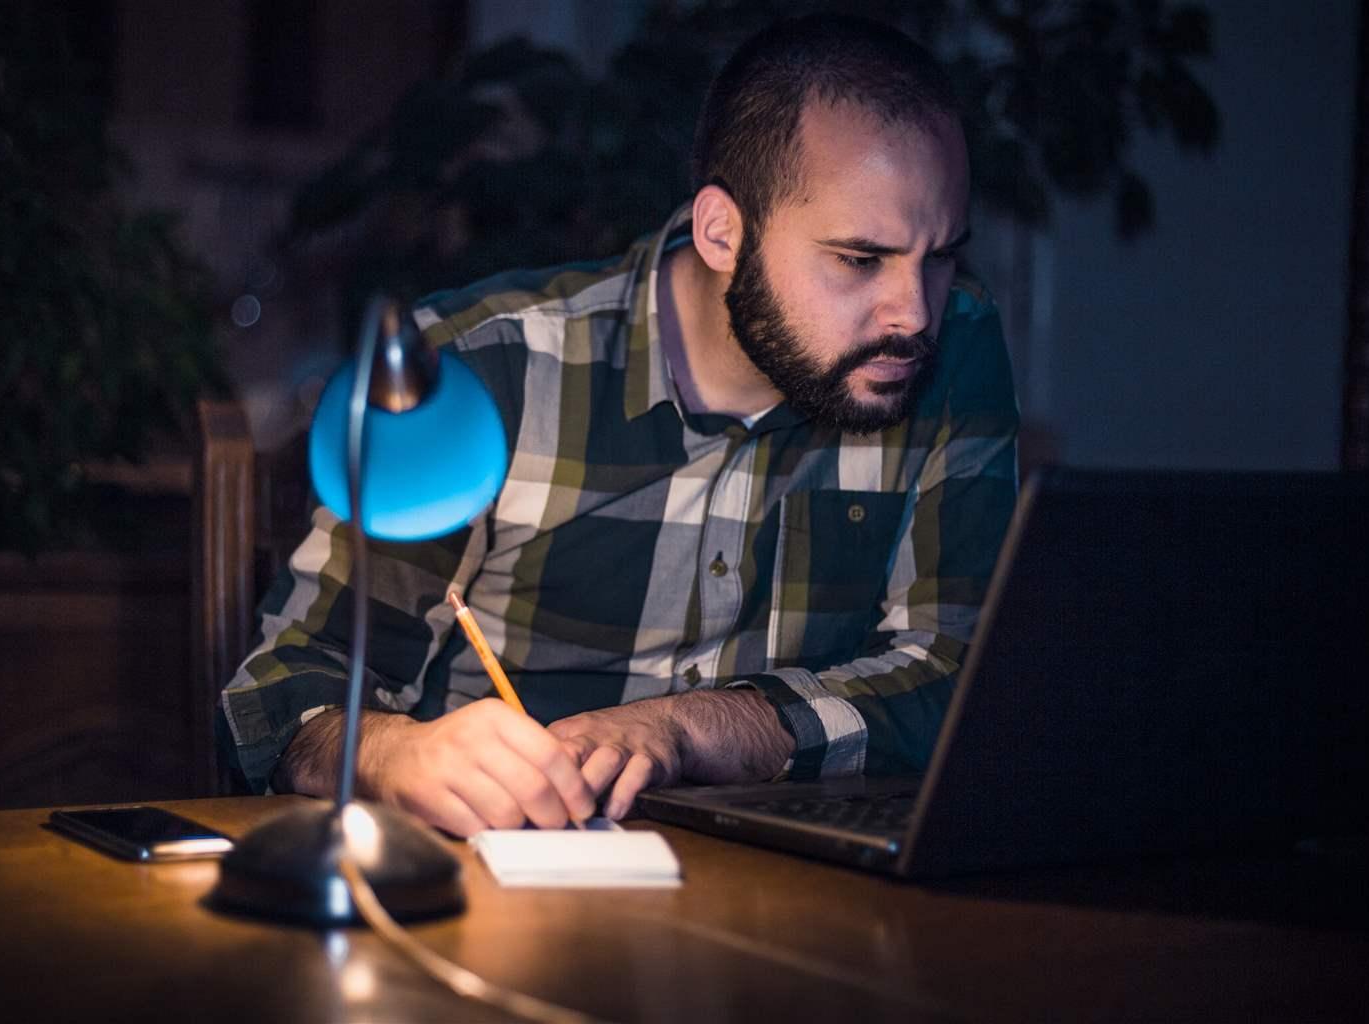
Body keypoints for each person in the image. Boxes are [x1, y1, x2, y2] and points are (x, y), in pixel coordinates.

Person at [219, 13, 1018, 837]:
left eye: (942, 254)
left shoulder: (950, 351)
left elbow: (960, 676)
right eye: (860, 259)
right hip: (499, 887)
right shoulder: (481, 370)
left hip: (796, 895)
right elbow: (283, 693)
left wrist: (701, 727)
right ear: (722, 232)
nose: (913, 312)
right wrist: (390, 755)